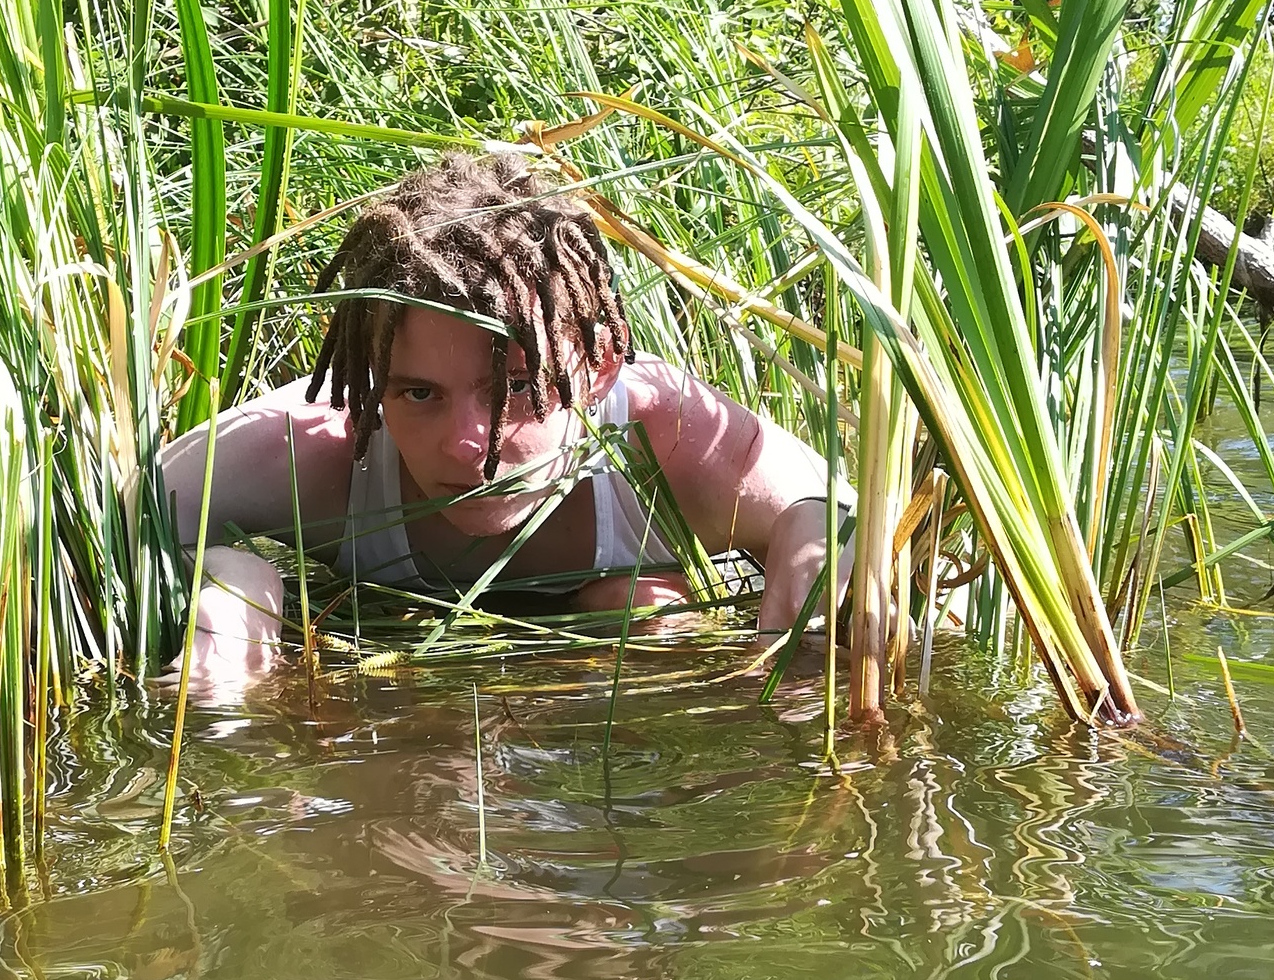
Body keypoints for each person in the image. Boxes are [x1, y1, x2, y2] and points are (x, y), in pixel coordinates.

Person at [158, 151, 834, 687]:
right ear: (370, 386)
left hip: (610, 695)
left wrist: (820, 531)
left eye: (512, 387)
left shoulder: (677, 437)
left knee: (644, 610)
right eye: (419, 395)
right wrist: (235, 580)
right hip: (402, 706)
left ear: (597, 372)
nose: (465, 445)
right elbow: (106, 529)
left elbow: (840, 516)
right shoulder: (316, 445)